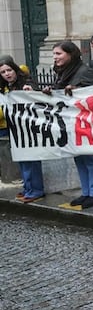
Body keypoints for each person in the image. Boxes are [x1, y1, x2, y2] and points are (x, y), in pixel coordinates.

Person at [47, 41, 93, 208]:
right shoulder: (63, 72)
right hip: (71, 122)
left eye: (58, 54)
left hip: (86, 121)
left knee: (90, 156)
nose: (55, 57)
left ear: (70, 54)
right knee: (79, 156)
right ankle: (86, 191)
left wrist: (77, 89)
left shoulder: (84, 71)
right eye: (54, 54)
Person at [0, 55, 44, 203]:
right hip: (16, 128)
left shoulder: (26, 81)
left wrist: (31, 90)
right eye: (3, 72)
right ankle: (28, 188)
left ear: (15, 69)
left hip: (29, 128)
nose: (7, 74)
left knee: (31, 159)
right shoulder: (6, 87)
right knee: (22, 159)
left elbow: (37, 93)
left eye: (9, 70)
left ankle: (36, 190)